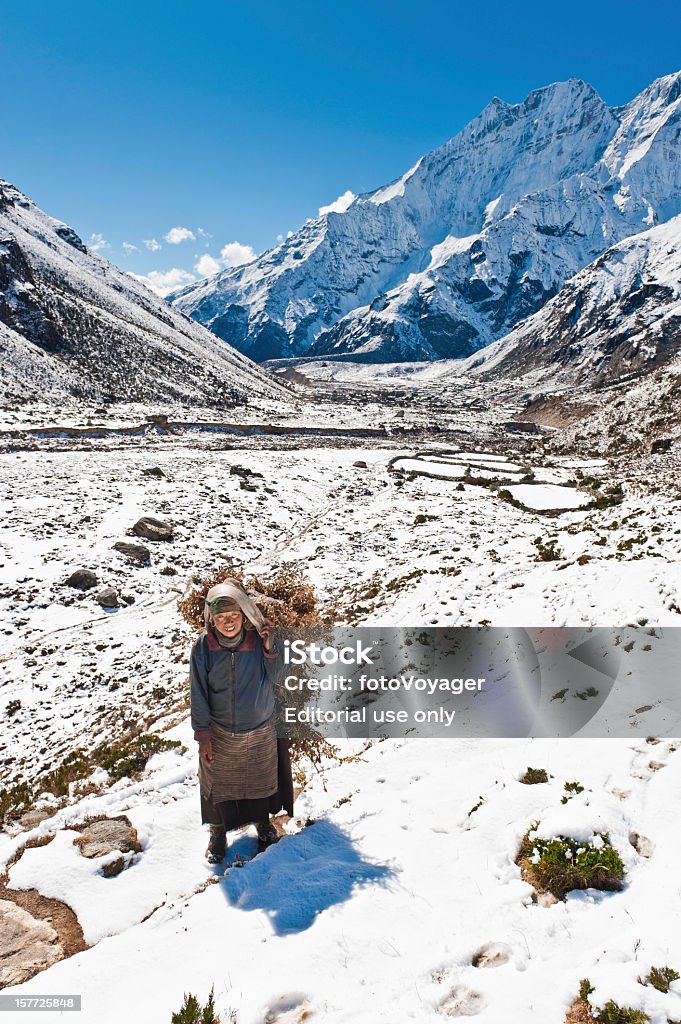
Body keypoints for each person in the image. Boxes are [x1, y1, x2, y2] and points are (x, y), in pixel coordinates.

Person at [189, 579, 294, 863]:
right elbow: (197, 693)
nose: (228, 622)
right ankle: (217, 833)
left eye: (234, 616)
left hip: (260, 728)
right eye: (221, 618)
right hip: (220, 732)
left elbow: (280, 675)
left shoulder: (259, 640)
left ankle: (263, 826)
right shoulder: (203, 648)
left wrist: (272, 647)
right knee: (217, 787)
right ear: (212, 619)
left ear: (244, 615)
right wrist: (203, 736)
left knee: (259, 783)